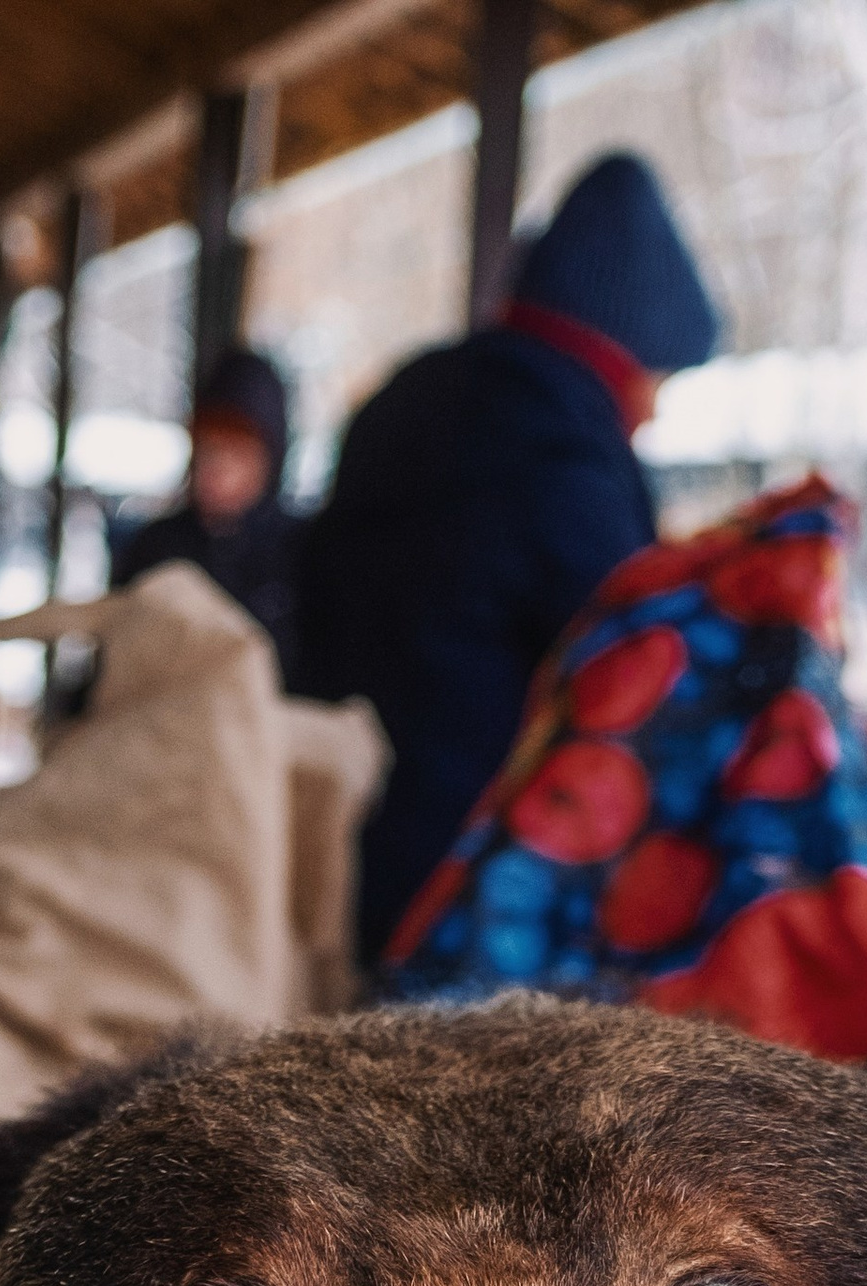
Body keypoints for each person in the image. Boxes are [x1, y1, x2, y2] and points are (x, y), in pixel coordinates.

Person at [299, 152, 720, 959]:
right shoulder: (562, 449)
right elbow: (625, 653)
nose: (654, 413)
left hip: (330, 822)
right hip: (462, 875)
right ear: (618, 352)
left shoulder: (410, 396)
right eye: (657, 379)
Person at [114, 347, 302, 671]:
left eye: (237, 452)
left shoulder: (300, 555)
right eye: (208, 447)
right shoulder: (157, 546)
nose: (218, 468)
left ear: (269, 461)